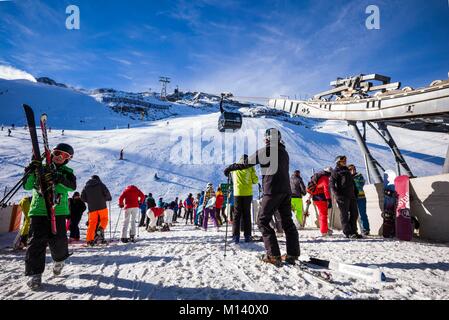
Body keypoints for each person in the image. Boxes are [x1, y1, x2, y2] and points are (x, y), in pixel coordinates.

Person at [224, 128, 300, 266]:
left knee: (262, 221)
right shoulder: (284, 152)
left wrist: (230, 168)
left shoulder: (266, 151)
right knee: (287, 222)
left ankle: (273, 255)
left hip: (272, 190)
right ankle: (293, 253)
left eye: (266, 138)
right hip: (285, 191)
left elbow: (246, 163)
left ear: (268, 139)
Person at [24, 143, 76, 289]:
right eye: (58, 153)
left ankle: (59, 260)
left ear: (68, 159)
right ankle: (35, 275)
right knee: (36, 242)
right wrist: (30, 170)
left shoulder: (67, 172)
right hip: (38, 211)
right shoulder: (40, 168)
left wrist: (57, 177)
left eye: (65, 155)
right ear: (52, 153)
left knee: (58, 241)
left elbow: (71, 186)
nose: (60, 157)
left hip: (57, 211)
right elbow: (27, 186)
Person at [330, 156, 362, 239]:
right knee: (344, 215)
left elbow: (352, 182)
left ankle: (354, 231)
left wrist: (356, 192)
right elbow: (332, 185)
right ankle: (347, 232)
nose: (344, 162)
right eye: (342, 161)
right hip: (342, 196)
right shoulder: (336, 171)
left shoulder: (347, 170)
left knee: (354, 214)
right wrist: (338, 195)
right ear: (338, 162)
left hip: (351, 196)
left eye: (345, 160)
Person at [230, 154, 259, 243]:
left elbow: (230, 178)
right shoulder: (250, 168)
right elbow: (255, 180)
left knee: (237, 215)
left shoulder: (235, 168)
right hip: (247, 193)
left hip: (237, 193)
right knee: (247, 214)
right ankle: (247, 236)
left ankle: (236, 236)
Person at [81, 175, 112, 246]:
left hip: (92, 208)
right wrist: (108, 198)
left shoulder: (86, 187)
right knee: (104, 219)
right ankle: (100, 229)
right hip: (102, 206)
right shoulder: (101, 185)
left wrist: (89, 201)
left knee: (92, 224)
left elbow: (82, 197)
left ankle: (89, 240)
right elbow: (107, 193)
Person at [307, 168, 333, 237]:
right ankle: (324, 231)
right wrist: (329, 199)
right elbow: (326, 189)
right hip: (321, 198)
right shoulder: (325, 178)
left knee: (322, 214)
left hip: (316, 198)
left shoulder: (319, 177)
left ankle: (325, 229)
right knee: (323, 215)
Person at [348, 164, 370, 236]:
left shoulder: (359, 176)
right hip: (352, 198)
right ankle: (354, 230)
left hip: (361, 197)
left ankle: (365, 229)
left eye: (354, 169)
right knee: (353, 215)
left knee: (362, 214)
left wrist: (353, 181)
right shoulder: (347, 177)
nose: (353, 170)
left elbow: (361, 184)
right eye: (351, 169)